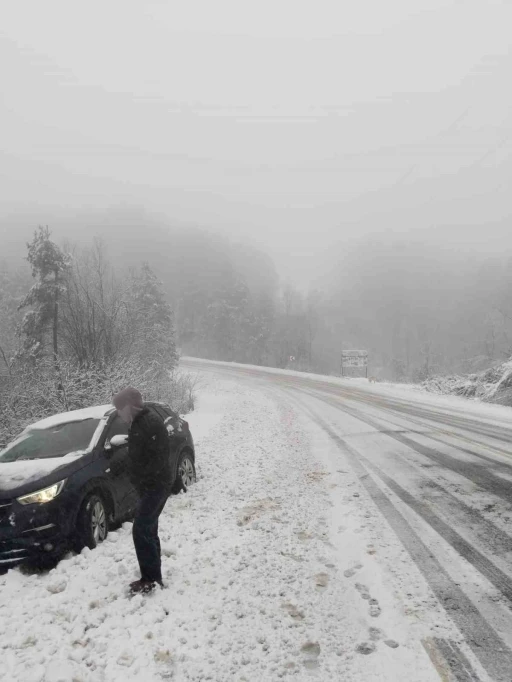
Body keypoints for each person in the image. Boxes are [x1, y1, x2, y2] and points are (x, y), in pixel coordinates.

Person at [112, 387, 172, 594]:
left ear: (129, 406)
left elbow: (157, 457)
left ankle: (151, 579)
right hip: (152, 485)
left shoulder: (147, 423)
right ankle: (154, 576)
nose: (119, 414)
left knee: (141, 529)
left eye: (119, 409)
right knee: (149, 528)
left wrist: (142, 475)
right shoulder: (140, 423)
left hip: (156, 485)